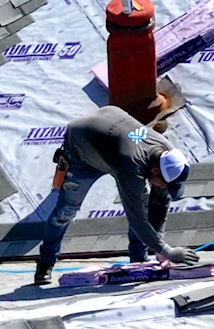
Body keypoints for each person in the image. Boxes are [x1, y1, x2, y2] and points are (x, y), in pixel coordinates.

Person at [33, 106, 198, 286]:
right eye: (163, 184)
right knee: (65, 212)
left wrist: (158, 245)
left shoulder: (168, 154)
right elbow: (137, 219)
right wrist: (168, 252)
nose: (163, 188)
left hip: (109, 136)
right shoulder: (131, 164)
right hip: (81, 150)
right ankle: (45, 262)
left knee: (143, 205)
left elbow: (160, 201)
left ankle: (138, 263)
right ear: (155, 170)